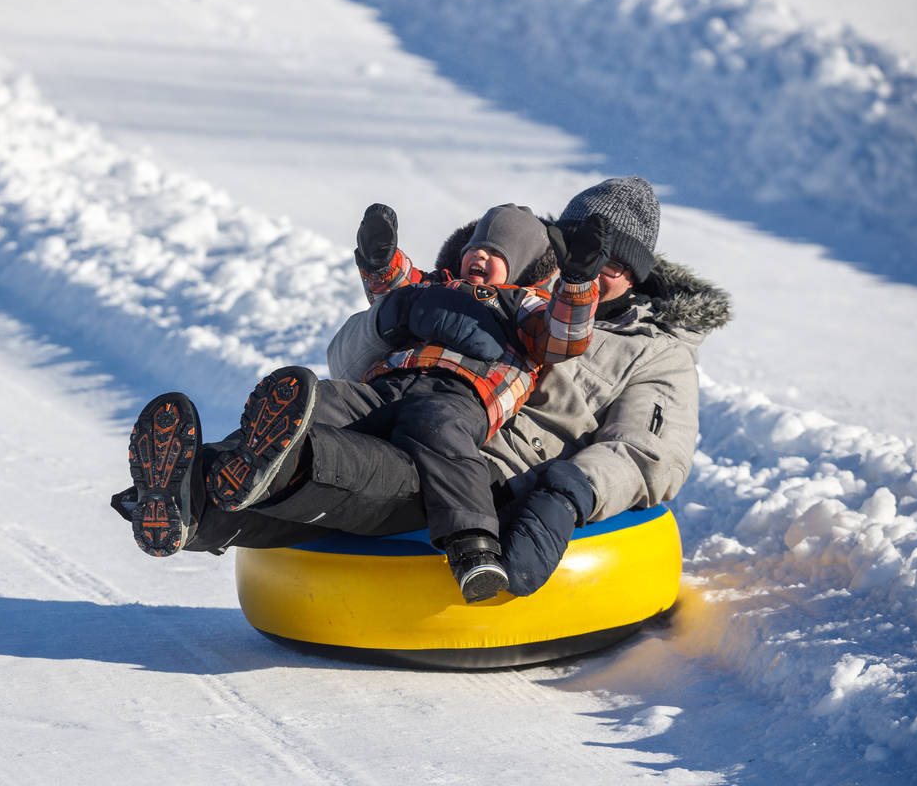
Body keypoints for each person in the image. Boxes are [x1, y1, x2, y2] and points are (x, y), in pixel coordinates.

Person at [112, 176, 732, 598]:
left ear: (637, 276)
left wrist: (568, 490)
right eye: (588, 255)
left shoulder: (654, 350)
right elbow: (346, 365)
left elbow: (647, 454)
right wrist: (390, 315)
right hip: (398, 406)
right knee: (313, 417)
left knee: (350, 465)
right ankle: (181, 494)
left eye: (616, 266)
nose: (601, 273)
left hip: (480, 473)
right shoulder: (491, 287)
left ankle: (216, 486)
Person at [203, 202, 603, 602]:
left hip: (459, 395)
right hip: (386, 386)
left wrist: (577, 281)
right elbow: (394, 287)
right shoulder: (437, 285)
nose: (479, 256)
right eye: (474, 248)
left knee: (441, 434)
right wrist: (379, 258)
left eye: (496, 252)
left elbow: (564, 335)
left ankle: (472, 544)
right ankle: (228, 463)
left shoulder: (525, 305)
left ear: (522, 266)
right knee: (323, 401)